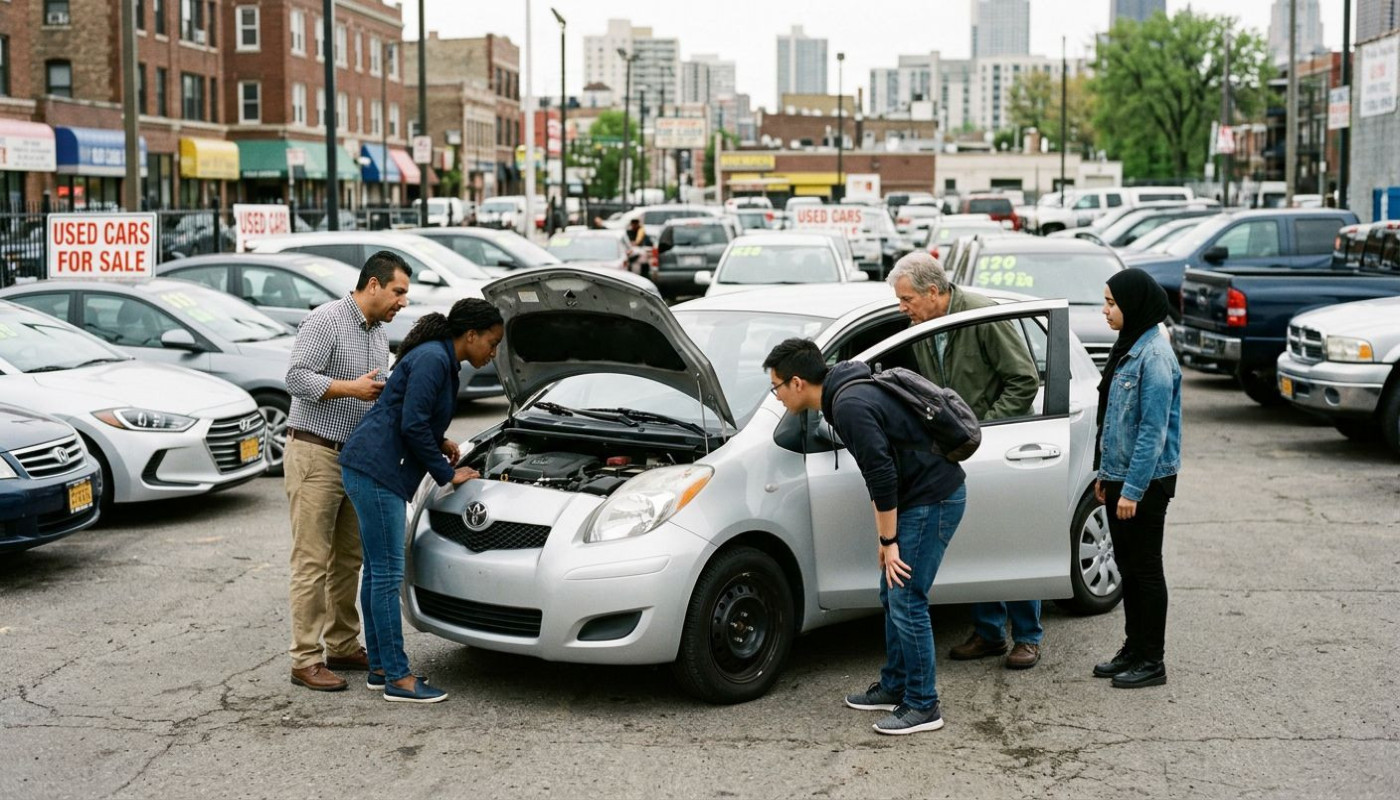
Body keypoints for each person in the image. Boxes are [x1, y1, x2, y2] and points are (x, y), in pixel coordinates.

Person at [764, 338, 967, 735]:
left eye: (776, 386)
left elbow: (881, 475)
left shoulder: (848, 405)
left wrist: (889, 542)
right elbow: (883, 472)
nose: (776, 395)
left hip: (932, 499)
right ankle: (895, 685)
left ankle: (924, 705)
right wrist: (884, 539)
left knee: (907, 599)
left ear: (798, 382)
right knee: (891, 593)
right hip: (918, 499)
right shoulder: (845, 393)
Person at [339, 298, 505, 703]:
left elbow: (412, 416)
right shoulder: (434, 359)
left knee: (378, 572)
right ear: (470, 335)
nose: (494, 352)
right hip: (378, 471)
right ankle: (398, 677)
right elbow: (411, 423)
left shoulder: (437, 358)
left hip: (371, 466)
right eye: (492, 342)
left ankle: (380, 669)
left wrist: (441, 440)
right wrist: (448, 473)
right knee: (388, 573)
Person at [886, 252, 1045, 669]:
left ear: (933, 292)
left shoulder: (979, 315)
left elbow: (1024, 378)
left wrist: (983, 427)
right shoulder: (921, 324)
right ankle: (989, 631)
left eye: (906, 299)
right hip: (955, 449)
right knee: (975, 538)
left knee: (1008, 538)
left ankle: (1027, 634)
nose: (901, 308)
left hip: (995, 441)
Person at [283, 251, 410, 691]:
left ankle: (341, 643)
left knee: (349, 561)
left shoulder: (378, 335)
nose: (403, 302)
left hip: (355, 460)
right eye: (398, 292)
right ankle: (305, 659)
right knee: (312, 561)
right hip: (315, 453)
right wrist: (350, 389)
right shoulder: (326, 320)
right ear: (373, 285)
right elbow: (296, 378)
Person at [1092, 268, 1181, 689]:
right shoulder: (1128, 346)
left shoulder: (1155, 357)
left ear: (1135, 304)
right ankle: (1133, 647)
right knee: (1127, 566)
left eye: (1112, 303)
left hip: (1145, 482)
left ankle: (1152, 659)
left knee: (1145, 569)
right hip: (1120, 477)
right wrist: (1104, 475)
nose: (1106, 311)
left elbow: (1152, 431)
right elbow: (1110, 416)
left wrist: (1131, 489)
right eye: (1106, 302)